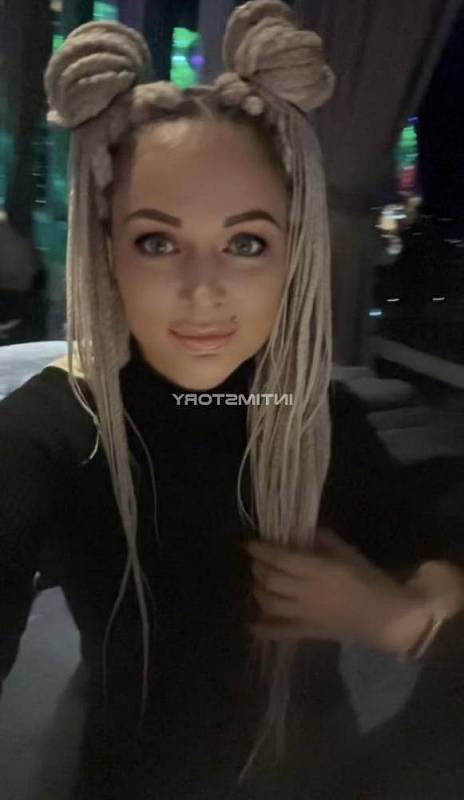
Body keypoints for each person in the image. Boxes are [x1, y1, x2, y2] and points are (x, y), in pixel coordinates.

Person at [1, 2, 463, 798]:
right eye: (157, 242)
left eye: (245, 243)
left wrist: (397, 618)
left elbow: (435, 555)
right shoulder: (53, 431)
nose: (204, 290)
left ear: (290, 256)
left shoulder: (320, 416)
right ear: (107, 251)